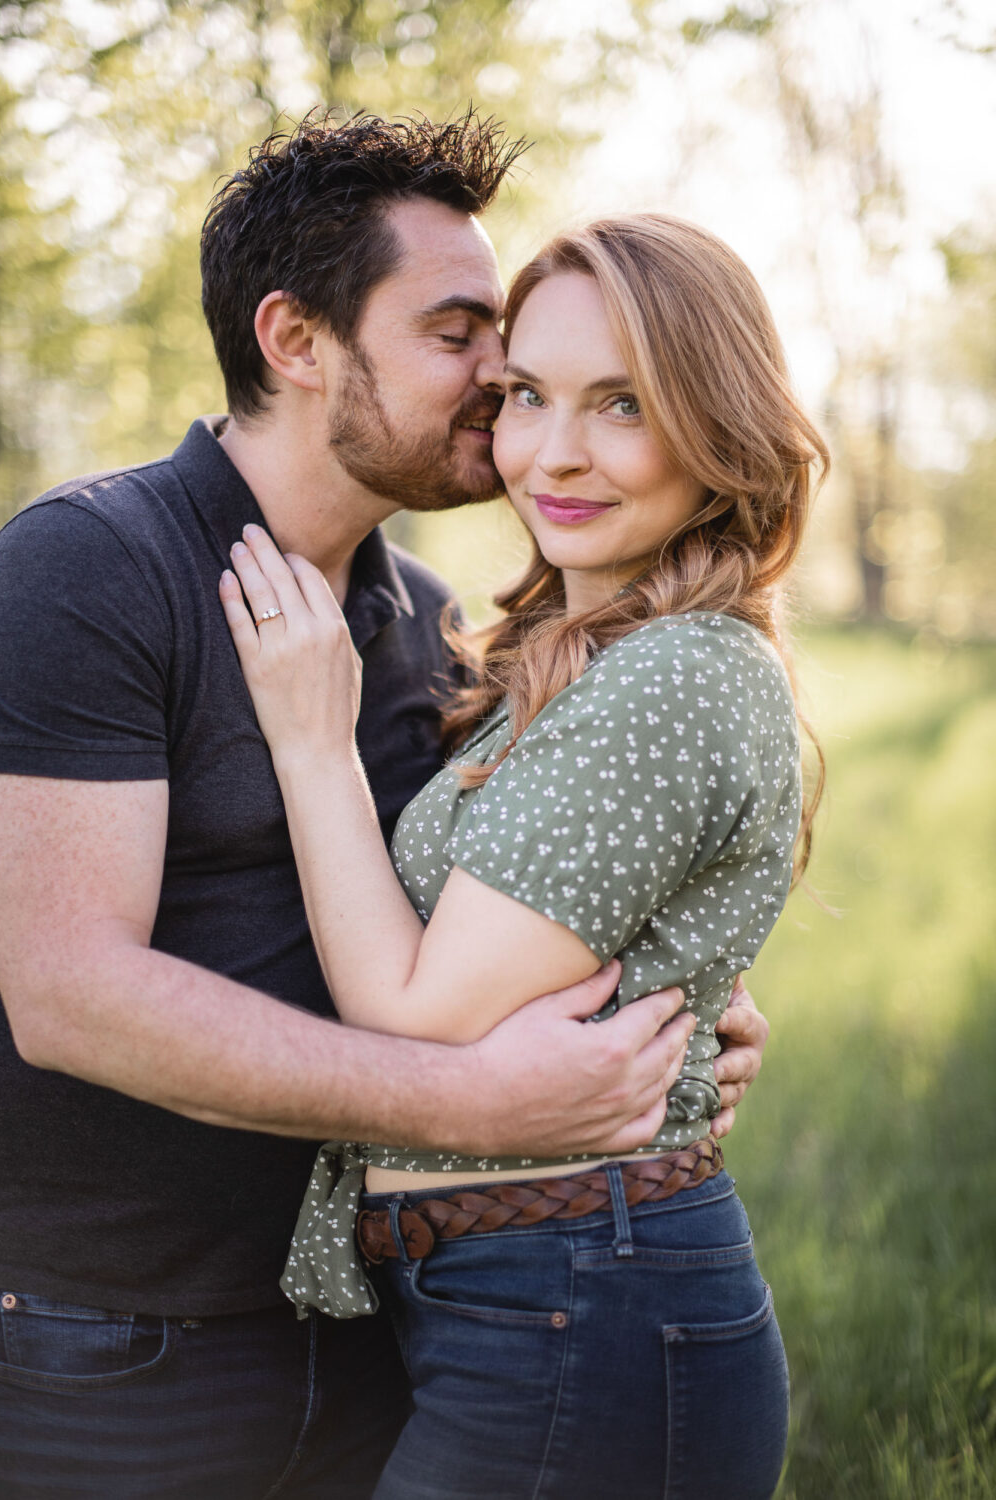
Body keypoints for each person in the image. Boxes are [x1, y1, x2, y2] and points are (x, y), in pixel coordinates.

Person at [0, 116, 768, 1499]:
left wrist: (679, 1003)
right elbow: (65, 992)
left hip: (377, 1326)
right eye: (457, 335)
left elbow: (491, 897)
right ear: (296, 341)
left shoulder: (426, 619)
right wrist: (478, 1100)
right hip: (115, 1346)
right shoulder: (90, 567)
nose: (496, 383)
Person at [220, 209, 828, 1500]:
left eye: (623, 404)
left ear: (715, 426)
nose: (555, 452)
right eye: (528, 396)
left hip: (584, 1305)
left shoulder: (678, 674)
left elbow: (415, 1018)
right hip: (526, 1299)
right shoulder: (582, 659)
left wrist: (313, 744)